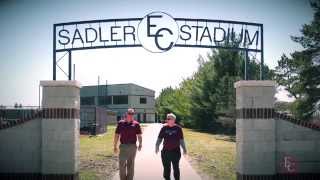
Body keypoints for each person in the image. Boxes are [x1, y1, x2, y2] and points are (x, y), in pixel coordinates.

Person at [155, 113, 187, 180]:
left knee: (176, 168)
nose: (167, 120)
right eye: (167, 118)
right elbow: (160, 138)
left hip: (175, 152)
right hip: (165, 152)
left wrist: (184, 149)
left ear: (173, 120)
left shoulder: (178, 128)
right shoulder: (164, 128)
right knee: (166, 168)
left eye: (169, 118)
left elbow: (181, 140)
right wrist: (157, 146)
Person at [114, 108, 142, 180]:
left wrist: (140, 144)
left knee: (131, 165)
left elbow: (139, 135)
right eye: (129, 113)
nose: (131, 115)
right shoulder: (121, 123)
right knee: (121, 164)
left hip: (132, 147)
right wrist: (115, 146)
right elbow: (117, 135)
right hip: (123, 146)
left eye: (132, 114)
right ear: (126, 114)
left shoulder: (136, 124)